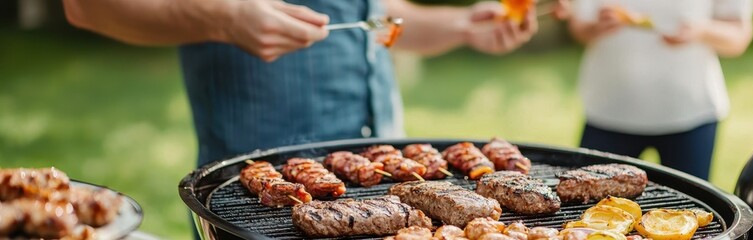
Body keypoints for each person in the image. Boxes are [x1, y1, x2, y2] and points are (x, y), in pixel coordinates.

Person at [62, 0, 538, 167]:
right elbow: (90, 5)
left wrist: (462, 25)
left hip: (382, 179)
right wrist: (225, 16)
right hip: (259, 185)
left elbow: (366, 15)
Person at [566, 0, 753, 180]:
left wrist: (700, 30)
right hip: (607, 113)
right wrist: (597, 27)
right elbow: (579, 28)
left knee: (687, 210)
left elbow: (739, 37)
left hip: (691, 114)